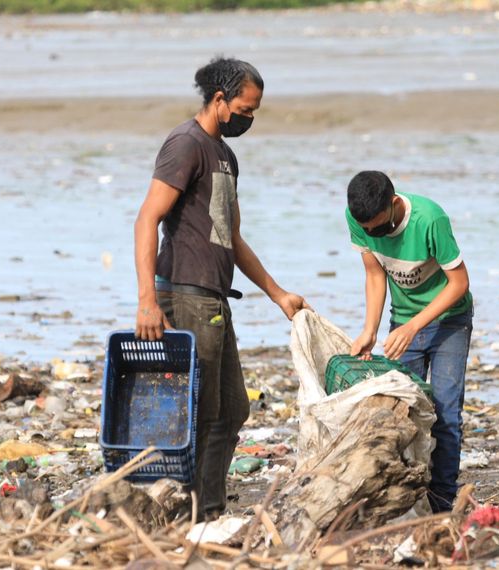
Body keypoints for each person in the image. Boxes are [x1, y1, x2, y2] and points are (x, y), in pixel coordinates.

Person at [133, 57, 309, 520]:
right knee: (203, 412)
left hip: (213, 296)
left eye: (255, 111)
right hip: (186, 293)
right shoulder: (185, 145)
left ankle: (206, 507)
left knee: (231, 411)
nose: (249, 118)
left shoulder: (226, 157)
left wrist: (278, 293)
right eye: (246, 109)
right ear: (219, 99)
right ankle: (194, 513)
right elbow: (147, 219)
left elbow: (230, 237)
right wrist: (148, 300)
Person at [345, 170, 473, 513]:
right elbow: (374, 274)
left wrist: (414, 326)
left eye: (379, 226)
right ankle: (408, 496)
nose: (373, 233)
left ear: (393, 203)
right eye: (367, 229)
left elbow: (459, 283)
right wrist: (370, 329)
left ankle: (443, 500)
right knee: (404, 410)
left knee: (445, 411)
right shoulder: (358, 217)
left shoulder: (430, 219)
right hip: (403, 323)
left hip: (449, 321)